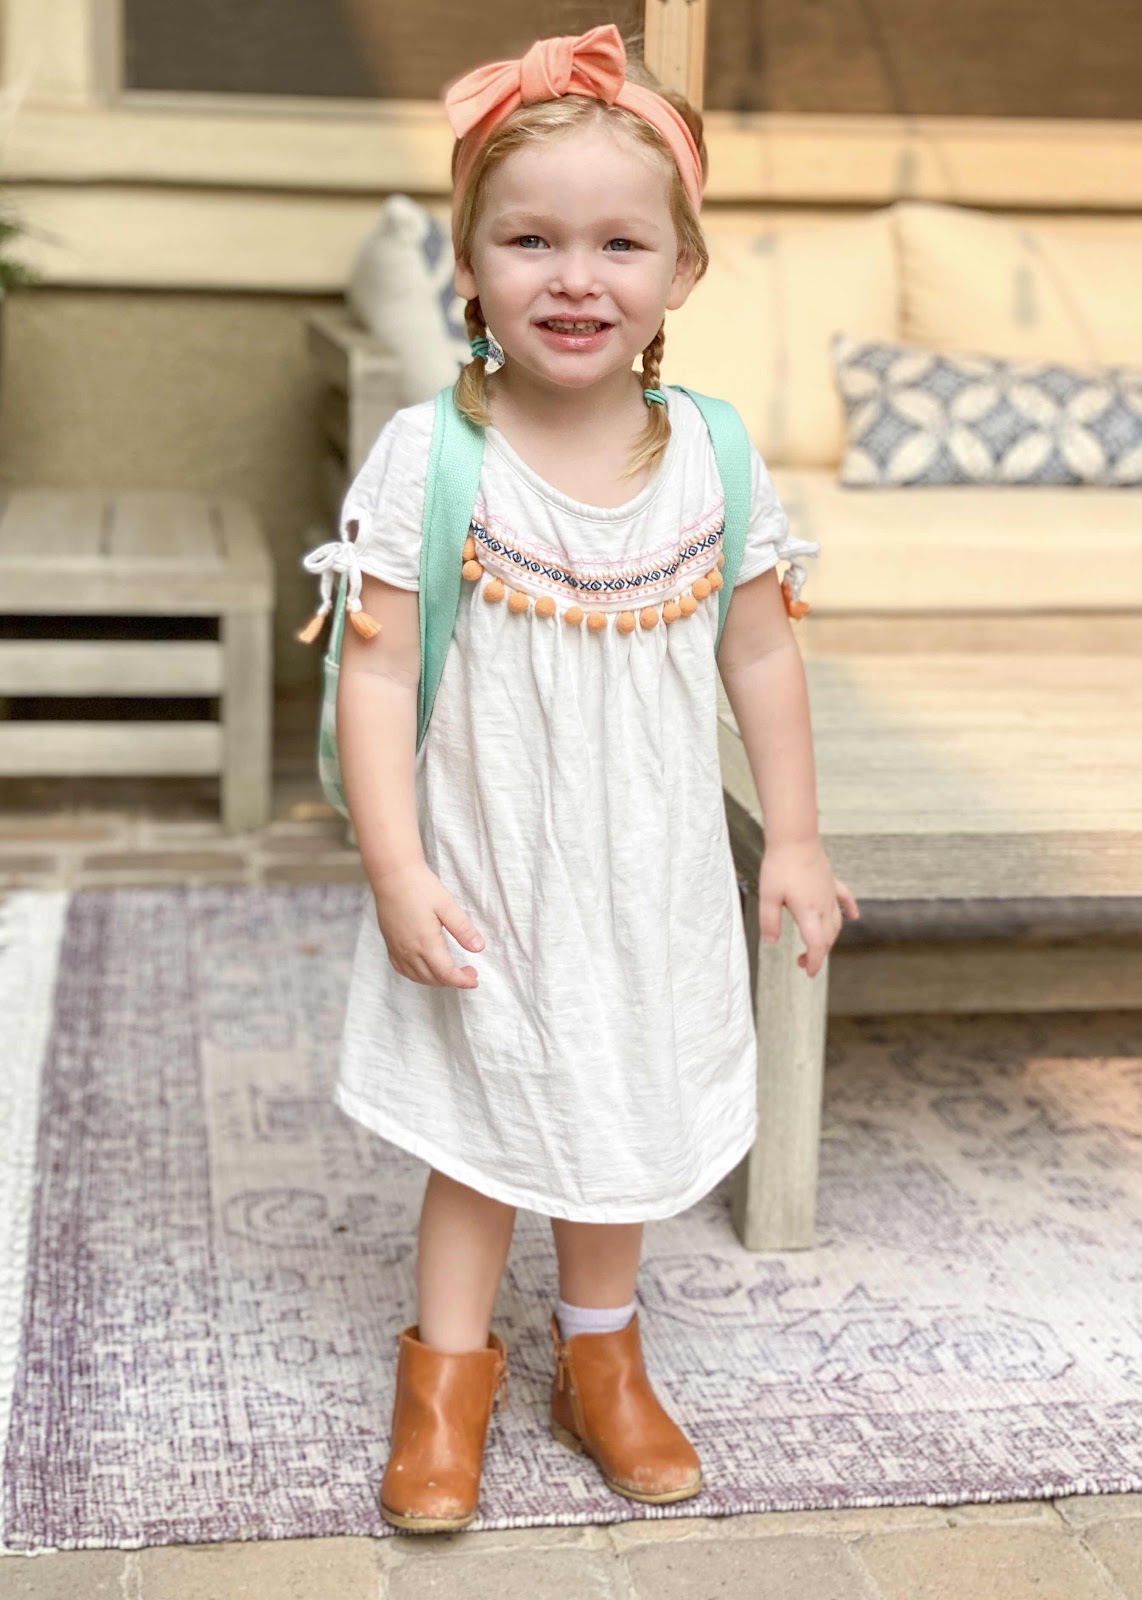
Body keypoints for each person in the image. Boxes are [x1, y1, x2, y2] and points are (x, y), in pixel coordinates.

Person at [298, 21, 860, 1534]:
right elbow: (370, 676)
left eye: (620, 243)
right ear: (469, 266)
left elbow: (760, 656)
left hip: (644, 876)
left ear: (681, 271)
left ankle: (600, 1362)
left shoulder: (715, 460)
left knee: (620, 1111)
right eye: (530, 239)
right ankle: (446, 1382)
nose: (575, 277)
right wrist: (398, 871)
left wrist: (793, 839)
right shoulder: (433, 459)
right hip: (490, 871)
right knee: (483, 1127)